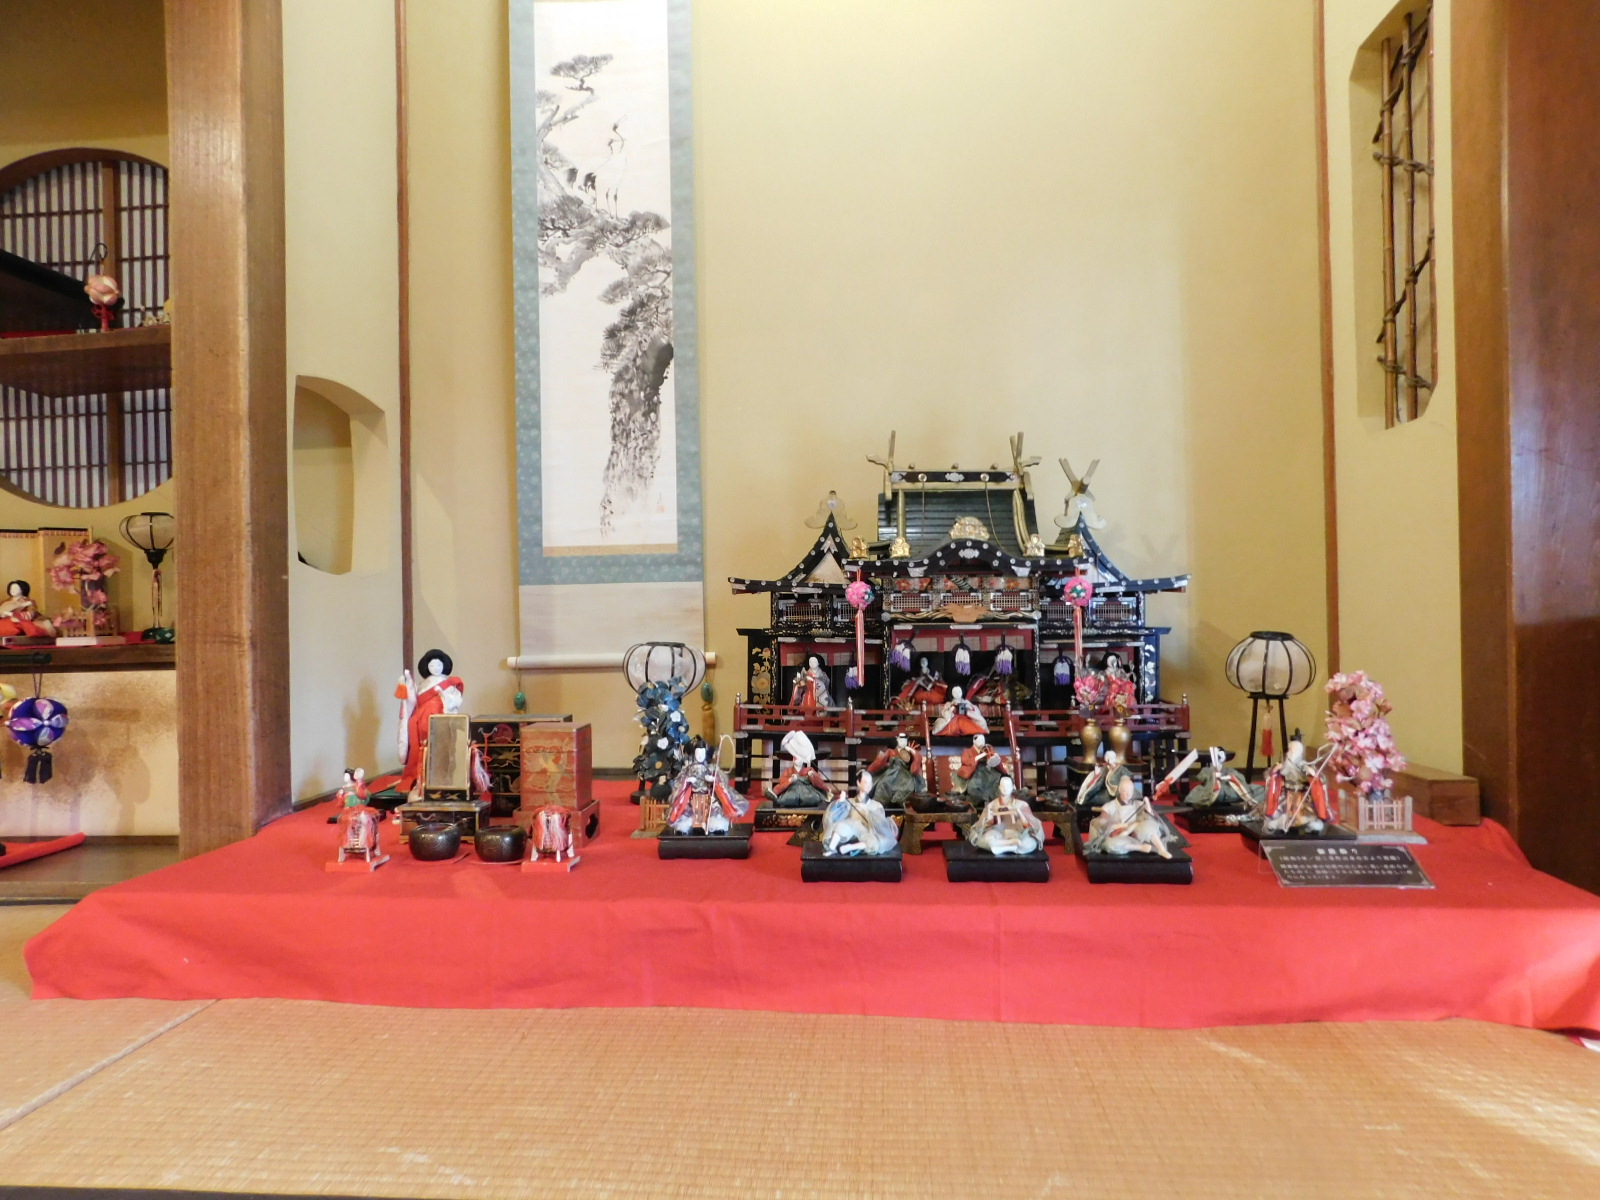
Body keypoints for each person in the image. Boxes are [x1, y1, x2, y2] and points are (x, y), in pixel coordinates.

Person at [395, 649, 464, 794]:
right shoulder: (423, 684)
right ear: (427, 667)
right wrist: (408, 685)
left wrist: (444, 695)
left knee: (442, 748)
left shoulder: (449, 682)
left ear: (444, 666)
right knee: (421, 748)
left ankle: (443, 778)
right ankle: (420, 779)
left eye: (438, 665)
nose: (436, 668)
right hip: (422, 719)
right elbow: (414, 701)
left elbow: (456, 700)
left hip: (441, 717)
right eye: (432, 665)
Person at [1086, 773, 1182, 858]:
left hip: (1137, 834)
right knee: (1109, 844)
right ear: (1120, 790)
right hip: (1119, 837)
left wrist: (1147, 805)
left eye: (1130, 791)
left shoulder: (1138, 804)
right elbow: (1102, 822)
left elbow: (1150, 818)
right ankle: (1140, 848)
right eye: (1125, 791)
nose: (1128, 794)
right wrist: (1113, 825)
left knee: (1148, 826)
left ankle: (1161, 850)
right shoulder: (1109, 806)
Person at [667, 740, 748, 835]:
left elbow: (721, 780)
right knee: (685, 809)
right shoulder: (688, 768)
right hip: (692, 796)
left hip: (708, 796)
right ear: (694, 754)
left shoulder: (711, 768)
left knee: (715, 808)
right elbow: (679, 781)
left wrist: (714, 779)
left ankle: (715, 826)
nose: (700, 756)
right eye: (698, 753)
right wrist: (687, 780)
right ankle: (685, 827)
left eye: (702, 753)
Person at [1262, 731, 1333, 834]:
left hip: (1302, 798)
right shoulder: (1283, 766)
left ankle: (1305, 823)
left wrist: (1312, 774)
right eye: (1289, 750)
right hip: (1287, 797)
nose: (1289, 753)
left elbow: (1318, 779)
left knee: (1309, 819)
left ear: (1299, 753)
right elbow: (1271, 776)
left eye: (1293, 751)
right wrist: (1275, 771)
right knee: (1278, 814)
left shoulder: (1305, 767)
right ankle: (1281, 822)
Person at [821, 769, 901, 856]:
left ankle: (851, 847)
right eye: (866, 782)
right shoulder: (849, 802)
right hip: (851, 833)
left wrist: (873, 818)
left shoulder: (877, 805)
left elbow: (881, 826)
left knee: (879, 842)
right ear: (858, 783)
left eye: (870, 783)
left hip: (868, 833)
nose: (868, 785)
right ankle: (831, 848)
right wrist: (840, 801)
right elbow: (834, 817)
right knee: (843, 825)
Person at [967, 776, 1045, 855]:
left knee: (1030, 844)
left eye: (1008, 786)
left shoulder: (1022, 804)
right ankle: (1011, 845)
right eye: (1003, 786)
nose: (1005, 788)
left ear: (1013, 787)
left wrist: (1020, 814)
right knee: (983, 840)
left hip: (1017, 834)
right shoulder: (991, 805)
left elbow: (1030, 826)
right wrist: (989, 821)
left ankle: (1002, 847)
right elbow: (981, 826)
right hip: (997, 834)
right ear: (999, 787)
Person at [763, 730, 834, 808]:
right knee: (786, 798)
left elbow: (819, 783)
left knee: (812, 797)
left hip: (807, 793)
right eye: (795, 757)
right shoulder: (788, 771)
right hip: (792, 793)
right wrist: (790, 780)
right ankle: (776, 798)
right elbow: (781, 784)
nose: (796, 759)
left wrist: (812, 776)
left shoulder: (809, 770)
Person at [866, 732, 928, 808]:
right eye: (900, 740)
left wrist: (912, 751)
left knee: (909, 787)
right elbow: (880, 762)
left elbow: (916, 764)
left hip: (906, 776)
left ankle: (902, 804)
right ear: (897, 740)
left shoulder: (910, 752)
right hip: (891, 773)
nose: (902, 742)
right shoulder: (891, 751)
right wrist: (870, 770)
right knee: (883, 785)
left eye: (904, 740)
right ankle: (880, 805)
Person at [1190, 746, 1259, 809]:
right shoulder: (1207, 770)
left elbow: (1240, 778)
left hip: (1228, 790)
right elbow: (1201, 777)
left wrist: (1228, 777)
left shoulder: (1230, 770)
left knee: (1257, 788)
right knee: (1200, 793)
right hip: (1212, 790)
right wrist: (1213, 775)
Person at [953, 733, 1009, 804]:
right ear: (974, 741)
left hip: (988, 771)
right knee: (973, 786)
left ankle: (991, 800)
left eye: (983, 740)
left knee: (998, 782)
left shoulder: (987, 748)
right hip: (974, 772)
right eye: (979, 741)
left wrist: (994, 756)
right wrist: (979, 757)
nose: (982, 742)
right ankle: (980, 799)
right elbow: (966, 761)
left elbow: (996, 762)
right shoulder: (967, 751)